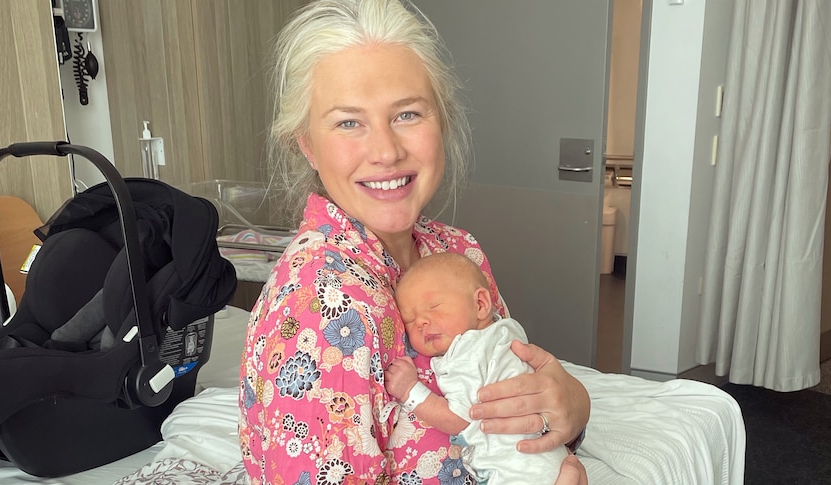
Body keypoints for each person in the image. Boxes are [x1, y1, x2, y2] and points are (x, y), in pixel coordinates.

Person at [239, 0, 590, 483]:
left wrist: (572, 404)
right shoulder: (324, 305)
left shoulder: (455, 249)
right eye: (348, 122)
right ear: (306, 143)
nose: (386, 151)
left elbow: (511, 391)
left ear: (440, 120)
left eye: (406, 114)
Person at [385, 252, 584, 485]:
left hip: (518, 471)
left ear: (480, 304)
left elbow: (459, 419)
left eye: (435, 307)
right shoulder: (506, 331)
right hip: (549, 461)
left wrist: (411, 390)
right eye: (409, 320)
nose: (421, 322)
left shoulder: (468, 351)